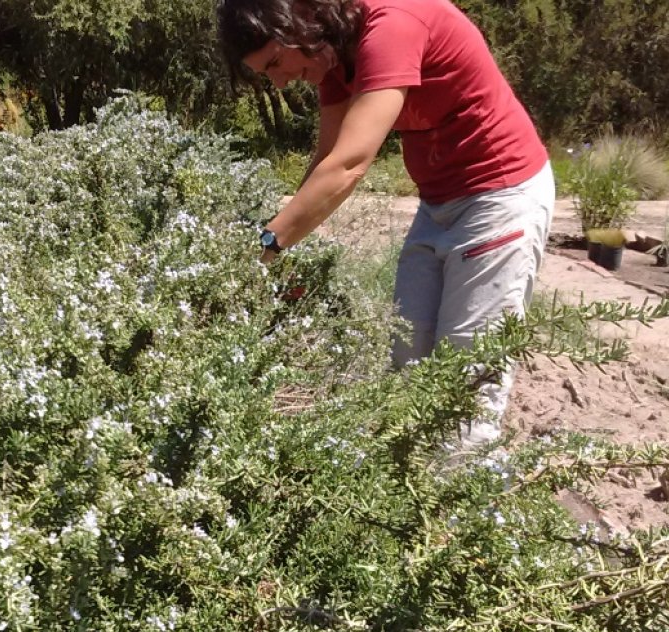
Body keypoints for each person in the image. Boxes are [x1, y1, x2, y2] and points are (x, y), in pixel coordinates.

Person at [217, 0, 554, 448]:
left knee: (465, 389)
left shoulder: (391, 25)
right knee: (407, 367)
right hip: (436, 204)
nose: (279, 80)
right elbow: (327, 160)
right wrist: (276, 233)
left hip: (499, 197)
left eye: (277, 61)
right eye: (266, 72)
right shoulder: (334, 51)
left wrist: (265, 247)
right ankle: (408, 504)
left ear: (299, 20)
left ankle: (461, 512)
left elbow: (350, 165)